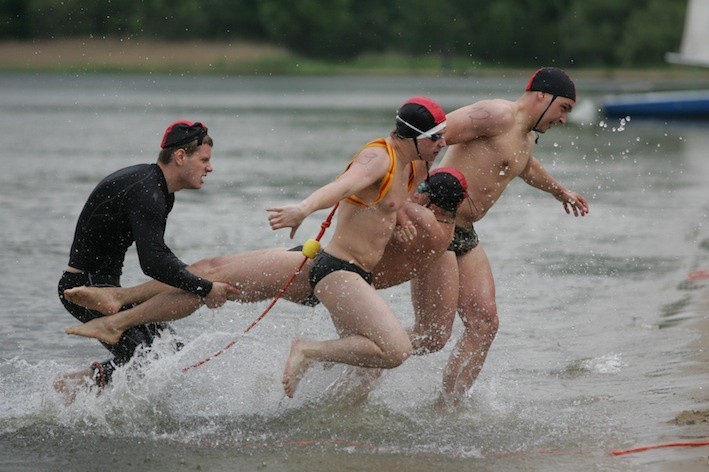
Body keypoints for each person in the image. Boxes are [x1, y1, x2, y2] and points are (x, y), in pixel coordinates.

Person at [65, 97, 450, 398]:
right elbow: (344, 186)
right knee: (395, 350)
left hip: (322, 264)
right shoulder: (379, 156)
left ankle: (119, 306)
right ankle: (308, 350)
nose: (442, 144)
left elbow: (383, 203)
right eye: (436, 137)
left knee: (214, 269)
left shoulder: (413, 165)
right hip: (337, 270)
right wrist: (303, 208)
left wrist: (398, 220)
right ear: (413, 135)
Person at [409, 67, 590, 407]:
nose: (565, 118)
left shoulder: (526, 136)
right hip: (435, 223)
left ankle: (448, 410)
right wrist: (406, 200)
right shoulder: (496, 114)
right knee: (432, 336)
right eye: (564, 107)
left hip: (463, 231)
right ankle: (360, 352)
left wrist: (560, 191)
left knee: (485, 324)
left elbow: (524, 165)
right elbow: (427, 139)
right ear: (541, 96)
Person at [55, 120, 239, 398]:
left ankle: (84, 388)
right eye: (204, 160)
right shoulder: (148, 191)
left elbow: (160, 256)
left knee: (169, 349)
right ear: (180, 156)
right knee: (144, 357)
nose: (209, 168)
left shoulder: (160, 191)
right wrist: (205, 286)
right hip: (85, 288)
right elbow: (153, 261)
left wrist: (199, 278)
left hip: (106, 287)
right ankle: (78, 386)